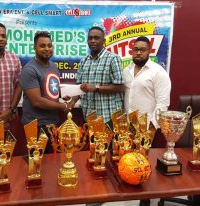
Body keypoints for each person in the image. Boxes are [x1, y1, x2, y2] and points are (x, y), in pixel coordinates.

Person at [123, 36, 171, 206]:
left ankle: (146, 198)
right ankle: (129, 195)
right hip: (128, 125)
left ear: (149, 51)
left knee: (144, 162)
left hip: (147, 126)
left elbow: (163, 103)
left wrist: (152, 126)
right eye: (135, 49)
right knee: (128, 161)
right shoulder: (126, 71)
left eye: (142, 49)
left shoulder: (158, 72)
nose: (138, 52)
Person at [20, 31, 72, 153]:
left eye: (49, 45)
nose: (47, 49)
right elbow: (37, 101)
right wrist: (63, 106)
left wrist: (63, 96)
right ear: (34, 48)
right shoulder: (29, 69)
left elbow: (51, 90)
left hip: (53, 121)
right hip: (36, 125)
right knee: (38, 162)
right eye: (42, 46)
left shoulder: (53, 66)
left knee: (53, 161)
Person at [70, 26, 124, 126]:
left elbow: (120, 87)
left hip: (108, 118)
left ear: (103, 41)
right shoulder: (83, 61)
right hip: (88, 117)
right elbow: (79, 87)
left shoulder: (113, 59)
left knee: (109, 142)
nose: (93, 41)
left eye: (96, 38)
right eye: (90, 38)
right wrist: (72, 101)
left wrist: (96, 88)